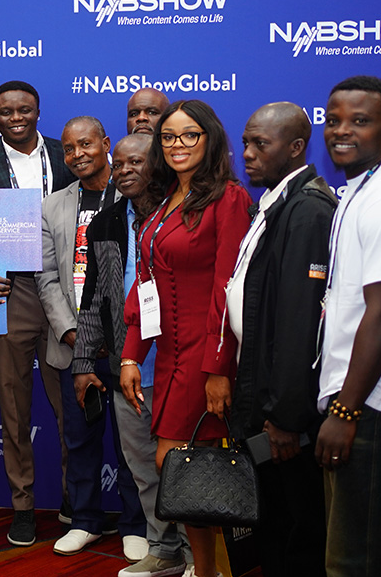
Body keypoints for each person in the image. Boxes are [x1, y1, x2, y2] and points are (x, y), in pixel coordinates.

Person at [121, 99, 252, 577]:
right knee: (184, 473)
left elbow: (228, 289)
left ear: (210, 139)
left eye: (189, 135)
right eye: (169, 136)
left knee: (181, 466)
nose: (177, 145)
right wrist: (131, 356)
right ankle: (206, 570)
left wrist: (219, 369)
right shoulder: (161, 204)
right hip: (171, 355)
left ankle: (212, 570)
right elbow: (145, 286)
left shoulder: (229, 199)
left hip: (206, 354)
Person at [313, 76, 381, 577]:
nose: (343, 131)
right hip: (356, 400)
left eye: (360, 121)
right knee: (347, 552)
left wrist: (345, 411)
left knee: (364, 558)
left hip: (373, 406)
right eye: (334, 120)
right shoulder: (359, 190)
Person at [224, 103, 335, 577]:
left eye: (260, 145)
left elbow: (298, 321)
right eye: (245, 142)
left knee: (297, 532)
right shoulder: (274, 201)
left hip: (284, 414)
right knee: (273, 525)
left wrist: (285, 416)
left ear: (295, 148)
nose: (247, 154)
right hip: (262, 394)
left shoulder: (307, 209)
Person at [0, 80, 76, 546]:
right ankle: (23, 506)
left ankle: (78, 503)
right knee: (13, 408)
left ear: (38, 110)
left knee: (69, 406)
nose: (16, 117)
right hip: (10, 294)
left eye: (24, 109)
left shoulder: (67, 155)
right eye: (5, 111)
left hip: (65, 292)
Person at [78, 134, 192, 577]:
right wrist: (85, 363)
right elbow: (93, 300)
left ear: (159, 165)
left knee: (184, 464)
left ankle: (195, 551)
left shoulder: (183, 215)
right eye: (118, 163)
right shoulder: (106, 222)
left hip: (178, 364)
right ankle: (163, 550)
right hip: (128, 366)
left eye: (135, 162)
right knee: (143, 466)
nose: (124, 170)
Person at [37, 117, 144, 560]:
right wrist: (71, 331)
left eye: (86, 144)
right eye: (68, 148)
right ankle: (85, 519)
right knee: (78, 437)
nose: (78, 154)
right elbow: (46, 277)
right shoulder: (52, 205)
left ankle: (136, 523)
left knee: (130, 440)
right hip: (72, 342)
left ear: (105, 144)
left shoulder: (135, 195)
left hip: (126, 343)